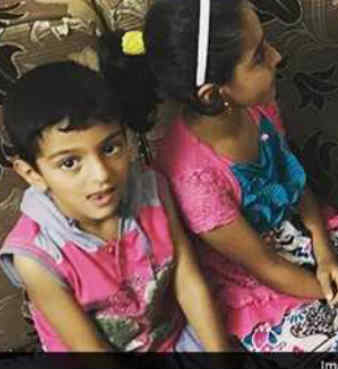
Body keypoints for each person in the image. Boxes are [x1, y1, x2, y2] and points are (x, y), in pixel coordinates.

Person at [99, 0, 338, 353]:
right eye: (259, 56)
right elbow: (267, 268)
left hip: (306, 239)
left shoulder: (257, 107)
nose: (276, 56)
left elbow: (297, 185)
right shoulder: (192, 179)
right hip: (260, 286)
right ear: (213, 94)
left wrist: (325, 252)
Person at [0, 62, 230, 352]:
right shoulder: (37, 257)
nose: (101, 175)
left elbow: (188, 281)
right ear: (32, 173)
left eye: (110, 148)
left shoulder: (152, 193)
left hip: (174, 338)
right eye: (70, 163)